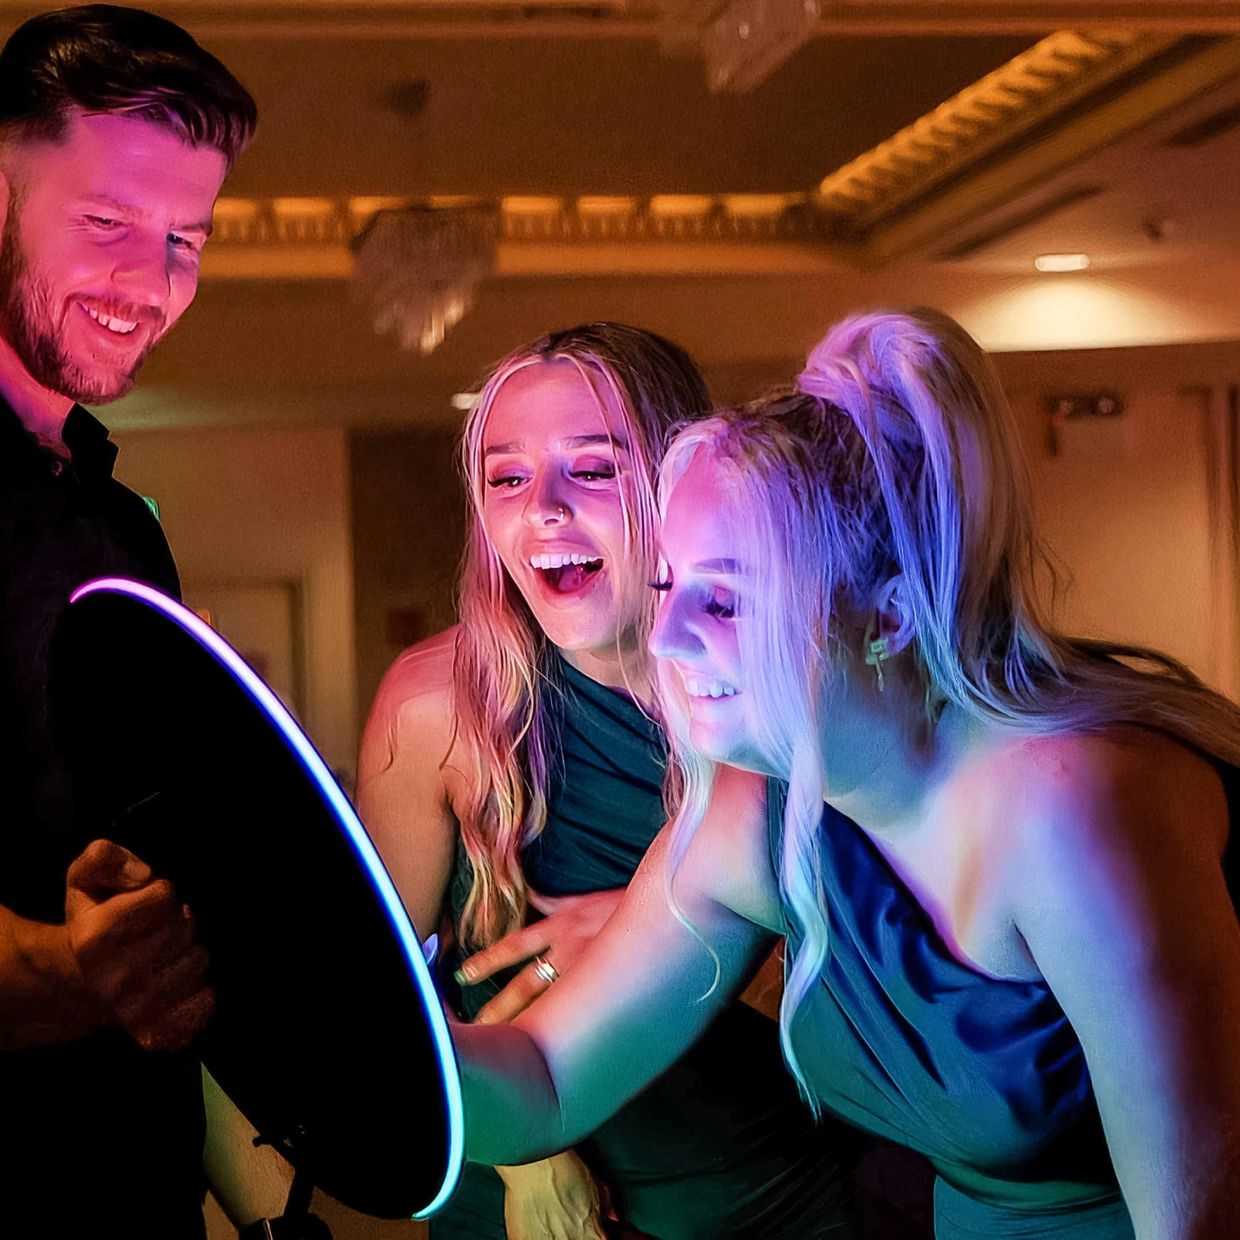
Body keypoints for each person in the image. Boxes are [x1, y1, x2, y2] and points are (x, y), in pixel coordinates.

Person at [452, 309, 1240, 1239]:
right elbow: (542, 1082)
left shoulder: (1065, 807)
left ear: (891, 616)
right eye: (671, 587)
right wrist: (316, 1024)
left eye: (729, 598)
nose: (664, 637)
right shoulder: (753, 809)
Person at [357, 322, 857, 1239]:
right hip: (524, 1202)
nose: (543, 508)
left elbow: (903, 1000)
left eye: (590, 468)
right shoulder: (438, 708)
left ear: (682, 483)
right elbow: (369, 991)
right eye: (506, 478)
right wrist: (526, 1154)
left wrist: (659, 935)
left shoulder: (794, 706)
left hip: (772, 1199)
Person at [0, 6, 255, 1234]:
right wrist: (76, 970)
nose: (151, 286)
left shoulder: (118, 517)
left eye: (186, 240)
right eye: (106, 223)